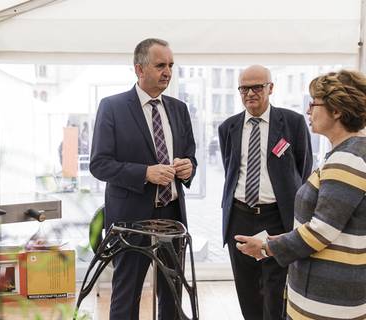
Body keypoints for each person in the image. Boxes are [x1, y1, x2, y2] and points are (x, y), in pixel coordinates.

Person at [235, 69, 366, 320]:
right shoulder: (351, 153)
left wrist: (265, 246)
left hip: (327, 297)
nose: (308, 111)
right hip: (330, 293)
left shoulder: (347, 160)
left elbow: (321, 231)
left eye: (313, 104)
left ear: (337, 110)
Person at [90, 38, 197, 320]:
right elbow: (99, 165)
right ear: (139, 69)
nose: (168, 72)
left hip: (172, 215)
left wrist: (189, 168)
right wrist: (145, 173)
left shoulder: (179, 109)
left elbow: (190, 156)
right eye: (161, 65)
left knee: (172, 291)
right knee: (127, 293)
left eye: (171, 65)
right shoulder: (112, 107)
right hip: (130, 219)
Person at [218, 65, 313, 320]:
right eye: (244, 88)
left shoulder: (292, 122)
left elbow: (303, 168)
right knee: (246, 290)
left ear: (271, 88)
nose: (250, 93)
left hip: (277, 218)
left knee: (275, 290)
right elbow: (230, 169)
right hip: (240, 216)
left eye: (257, 87)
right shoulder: (228, 127)